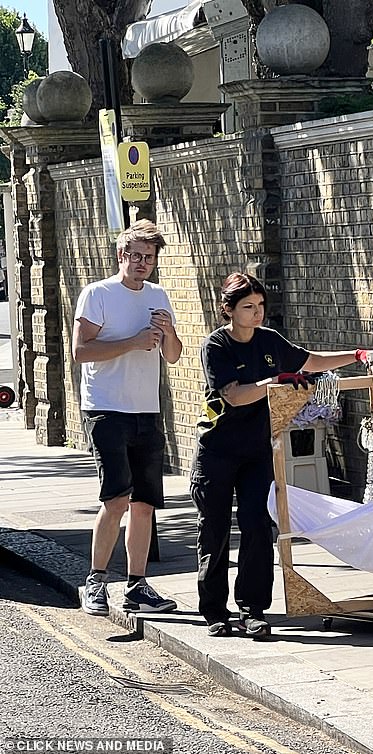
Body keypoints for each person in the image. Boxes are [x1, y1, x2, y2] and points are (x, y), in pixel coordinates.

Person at [192, 272, 373, 639]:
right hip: (218, 449)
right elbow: (235, 395)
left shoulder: (268, 340)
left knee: (258, 526)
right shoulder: (216, 346)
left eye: (260, 306)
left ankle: (252, 609)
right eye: (248, 307)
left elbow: (309, 361)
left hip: (257, 450)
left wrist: (357, 355)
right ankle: (214, 611)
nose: (257, 314)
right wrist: (276, 381)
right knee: (215, 529)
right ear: (228, 310)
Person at [73, 219, 183, 616]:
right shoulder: (98, 294)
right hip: (105, 408)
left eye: (148, 257)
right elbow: (80, 351)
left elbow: (172, 355)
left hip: (146, 410)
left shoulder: (158, 296)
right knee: (116, 496)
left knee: (145, 503)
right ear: (121, 255)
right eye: (135, 255)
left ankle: (137, 586)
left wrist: (168, 332)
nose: (141, 263)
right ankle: (96, 581)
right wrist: (132, 342)